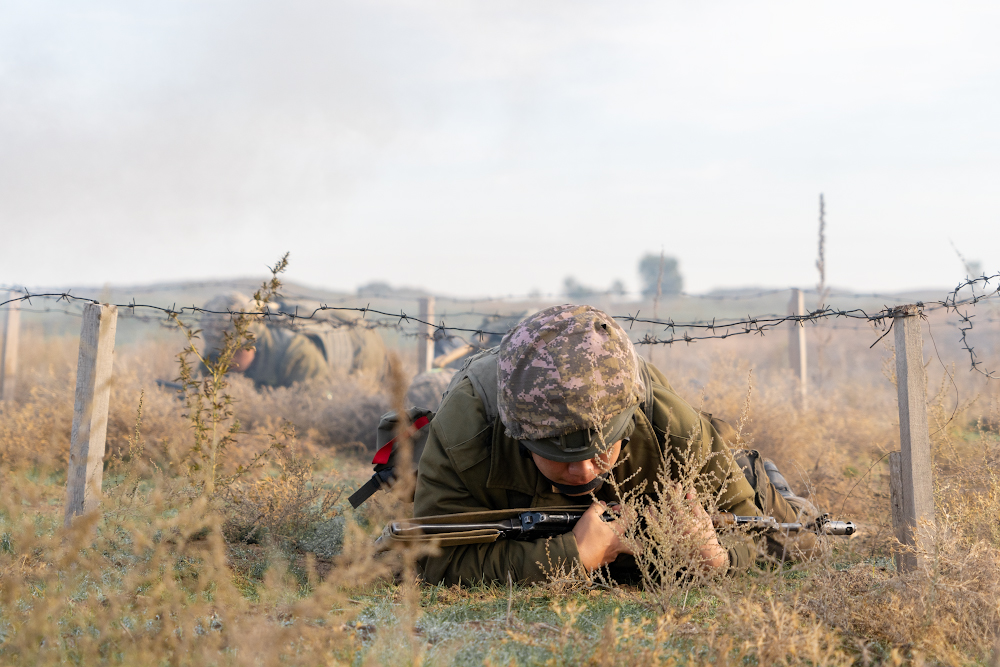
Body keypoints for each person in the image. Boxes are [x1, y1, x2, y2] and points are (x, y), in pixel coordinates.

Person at [413, 304, 816, 586]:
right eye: (558, 457)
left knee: (806, 535)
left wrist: (718, 559)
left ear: (628, 426)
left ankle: (762, 476)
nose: (584, 472)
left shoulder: (673, 428)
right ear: (518, 434)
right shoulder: (465, 431)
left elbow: (761, 536)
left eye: (600, 452)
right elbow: (432, 559)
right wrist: (572, 557)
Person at [200, 293, 387, 388]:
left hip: (364, 350)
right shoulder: (217, 352)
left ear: (252, 342)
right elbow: (197, 388)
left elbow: (316, 410)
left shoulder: (296, 355)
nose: (223, 361)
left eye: (232, 351)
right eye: (219, 352)